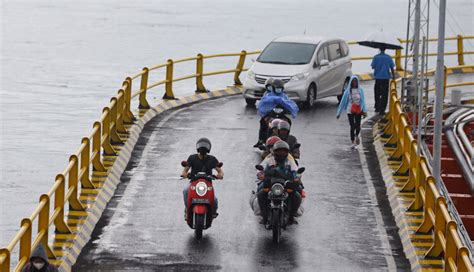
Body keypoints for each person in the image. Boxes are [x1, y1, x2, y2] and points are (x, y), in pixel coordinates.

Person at [257, 141, 302, 226]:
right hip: (270, 182)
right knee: (260, 194)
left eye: (284, 151)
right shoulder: (269, 159)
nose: (281, 153)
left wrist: (297, 177)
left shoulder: (289, 161)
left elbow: (296, 171)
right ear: (274, 151)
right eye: (279, 151)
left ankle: (291, 217)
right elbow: (260, 168)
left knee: (297, 197)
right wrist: (261, 174)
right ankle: (264, 217)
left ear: (287, 152)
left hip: (285, 183)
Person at [181, 138, 223, 217]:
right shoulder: (192, 158)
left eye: (205, 146)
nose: (203, 148)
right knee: (185, 190)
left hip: (207, 183)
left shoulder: (212, 159)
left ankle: (213, 212)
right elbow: (185, 170)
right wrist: (184, 174)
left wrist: (220, 175)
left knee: (214, 199)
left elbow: (220, 171)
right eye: (201, 146)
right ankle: (187, 209)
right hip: (193, 182)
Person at [254, 79, 299, 147]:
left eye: (280, 88)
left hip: (281, 116)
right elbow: (262, 105)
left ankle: (286, 138)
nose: (278, 89)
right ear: (273, 88)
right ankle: (261, 140)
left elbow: (290, 104)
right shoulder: (268, 96)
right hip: (270, 115)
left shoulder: (284, 96)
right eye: (277, 88)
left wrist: (291, 110)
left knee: (288, 122)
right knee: (263, 121)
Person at [336, 75, 368, 149]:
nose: (354, 83)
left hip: (358, 110)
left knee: (357, 125)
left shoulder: (360, 90)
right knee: (352, 126)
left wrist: (364, 111)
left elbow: (363, 101)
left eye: (355, 81)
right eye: (353, 81)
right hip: (350, 110)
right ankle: (352, 140)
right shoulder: (347, 91)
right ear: (351, 82)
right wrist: (339, 113)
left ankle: (357, 135)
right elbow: (343, 102)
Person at [371, 48, 395, 115]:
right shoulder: (388, 57)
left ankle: (377, 107)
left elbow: (373, 66)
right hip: (385, 78)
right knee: (384, 94)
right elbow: (392, 67)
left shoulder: (376, 57)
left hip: (378, 77)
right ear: (385, 49)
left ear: (379, 49)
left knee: (377, 93)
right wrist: (393, 76)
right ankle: (382, 109)